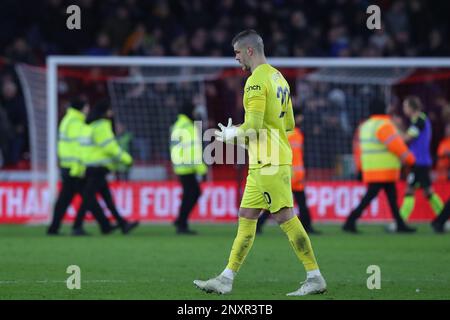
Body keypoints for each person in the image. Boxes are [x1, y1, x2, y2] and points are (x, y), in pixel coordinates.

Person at [194, 29, 326, 296]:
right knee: (247, 217)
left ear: (249, 51)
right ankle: (226, 278)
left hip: (269, 162)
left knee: (285, 216)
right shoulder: (279, 78)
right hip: (263, 160)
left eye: (237, 53)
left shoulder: (255, 82)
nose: (236, 59)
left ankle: (314, 276)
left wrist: (232, 134)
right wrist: (243, 138)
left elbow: (253, 126)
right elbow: (286, 124)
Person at [342, 98, 417, 233]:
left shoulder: (364, 126)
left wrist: (359, 168)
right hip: (385, 170)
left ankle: (399, 224)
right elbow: (397, 146)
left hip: (371, 170)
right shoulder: (385, 125)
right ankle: (350, 221)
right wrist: (411, 160)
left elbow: (357, 150)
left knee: (389, 198)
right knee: (374, 198)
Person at [47, 98, 116, 235]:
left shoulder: (68, 120)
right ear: (82, 108)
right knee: (87, 198)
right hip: (74, 168)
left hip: (68, 166)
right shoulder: (76, 123)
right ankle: (100, 225)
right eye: (86, 107)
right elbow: (79, 147)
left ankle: (54, 228)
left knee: (68, 199)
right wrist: (80, 167)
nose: (88, 110)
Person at [72, 99, 139, 235]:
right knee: (88, 199)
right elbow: (110, 147)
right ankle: (77, 226)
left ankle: (121, 224)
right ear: (105, 112)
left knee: (106, 199)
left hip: (91, 166)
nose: (112, 113)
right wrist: (127, 159)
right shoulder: (102, 126)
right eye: (109, 110)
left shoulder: (89, 126)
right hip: (98, 167)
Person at [256, 108, 320, 234]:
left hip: (289, 174)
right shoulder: (295, 134)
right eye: (300, 116)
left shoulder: (282, 133)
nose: (302, 119)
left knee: (290, 202)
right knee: (288, 202)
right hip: (290, 175)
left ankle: (306, 225)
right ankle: (307, 226)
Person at [398, 96, 444, 222]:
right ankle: (443, 218)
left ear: (411, 108)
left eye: (405, 106)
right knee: (428, 192)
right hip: (421, 162)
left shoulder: (419, 121)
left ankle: (401, 221)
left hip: (420, 162)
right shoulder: (419, 120)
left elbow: (407, 138)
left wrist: (394, 131)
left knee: (410, 190)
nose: (404, 109)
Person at [170, 101, 207, 235]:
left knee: (189, 195)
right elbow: (193, 150)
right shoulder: (188, 127)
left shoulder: (178, 124)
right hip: (188, 167)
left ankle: (180, 220)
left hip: (181, 166)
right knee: (193, 193)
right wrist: (201, 169)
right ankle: (181, 223)